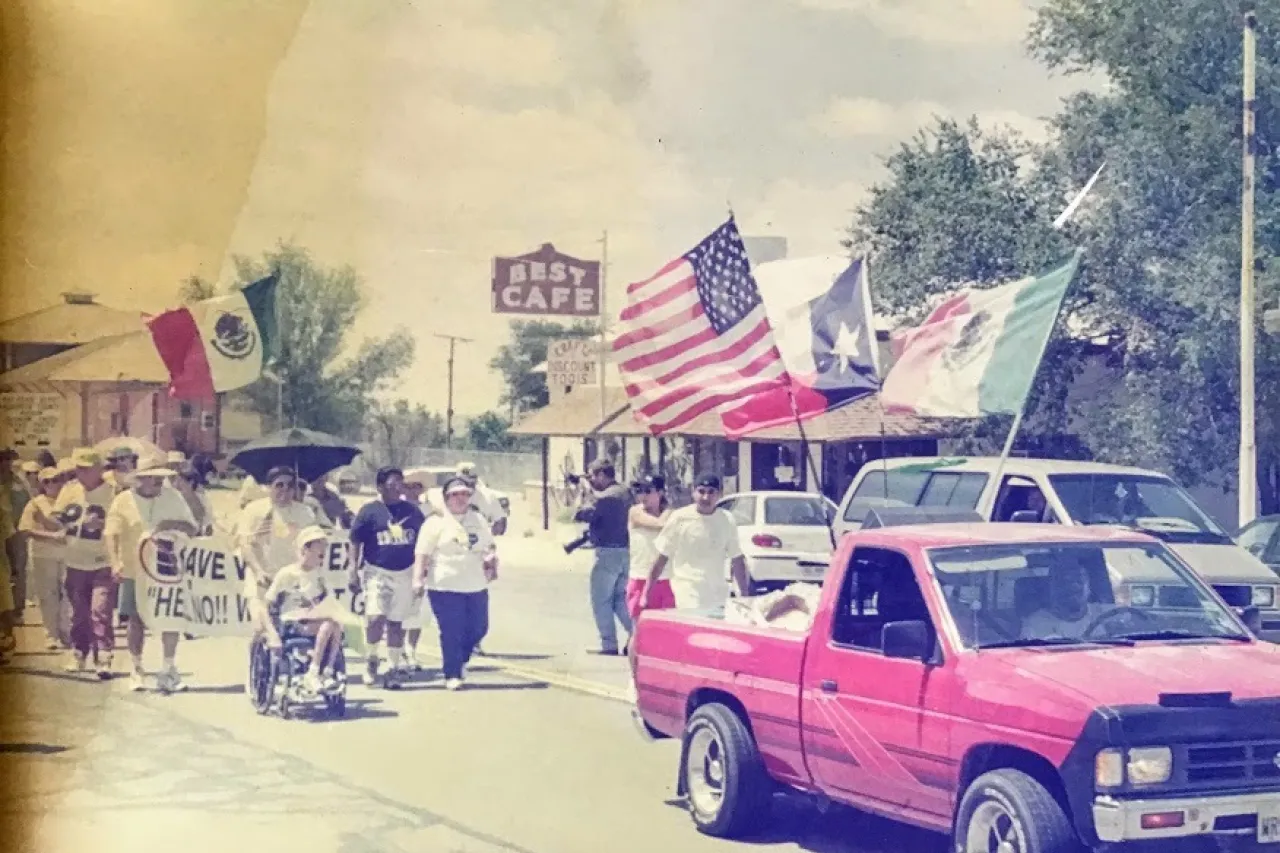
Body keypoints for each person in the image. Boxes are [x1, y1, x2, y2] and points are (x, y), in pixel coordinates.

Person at [105, 452, 197, 692]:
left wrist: (169, 525)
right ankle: (136, 668)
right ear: (140, 479)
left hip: (168, 570)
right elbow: (111, 534)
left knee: (171, 618)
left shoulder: (173, 497)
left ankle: (168, 669)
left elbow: (192, 528)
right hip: (134, 569)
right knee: (135, 619)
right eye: (152, 477)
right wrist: (115, 562)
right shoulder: (123, 500)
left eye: (161, 476)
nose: (158, 481)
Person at [413, 476, 497, 690]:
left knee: (479, 627)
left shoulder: (478, 520)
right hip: (444, 584)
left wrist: (491, 561)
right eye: (455, 494)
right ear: (446, 498)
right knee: (451, 630)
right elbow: (422, 553)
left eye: (465, 494)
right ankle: (452, 673)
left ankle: (460, 660)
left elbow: (489, 545)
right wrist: (418, 580)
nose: (460, 498)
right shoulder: (435, 522)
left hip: (475, 583)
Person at [348, 467, 425, 688]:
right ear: (380, 487)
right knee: (374, 618)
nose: (397, 489)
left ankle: (392, 667)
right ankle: (371, 658)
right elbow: (355, 539)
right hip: (377, 572)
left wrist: (422, 573)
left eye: (400, 485)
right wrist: (353, 568)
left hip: (405, 572)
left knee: (396, 623)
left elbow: (423, 542)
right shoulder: (370, 511)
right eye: (392, 485)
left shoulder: (412, 512)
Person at [235, 466, 321, 649]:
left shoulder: (304, 512)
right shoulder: (254, 510)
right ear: (269, 487)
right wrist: (258, 571)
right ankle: (257, 658)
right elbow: (245, 544)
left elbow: (313, 543)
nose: (284, 490)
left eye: (290, 486)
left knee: (291, 625)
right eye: (279, 485)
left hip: (290, 576)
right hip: (261, 575)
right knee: (260, 626)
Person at [54, 448, 118, 677]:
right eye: (78, 468)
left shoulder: (112, 493)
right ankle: (79, 652)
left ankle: (104, 656)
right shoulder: (69, 491)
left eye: (86, 468)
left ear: (99, 469)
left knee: (99, 610)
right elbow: (57, 521)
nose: (80, 473)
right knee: (79, 613)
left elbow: (119, 526)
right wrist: (70, 527)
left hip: (102, 561)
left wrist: (102, 526)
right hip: (75, 561)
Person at [644, 474, 749, 613]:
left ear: (720, 494)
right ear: (693, 492)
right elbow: (660, 559)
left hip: (717, 598)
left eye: (711, 492)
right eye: (701, 491)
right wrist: (646, 594)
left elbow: (737, 559)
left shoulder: (727, 519)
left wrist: (745, 597)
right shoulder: (679, 518)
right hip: (687, 595)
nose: (706, 497)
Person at [264, 526, 344, 695]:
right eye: (319, 552)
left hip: (312, 619)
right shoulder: (287, 574)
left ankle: (326, 671)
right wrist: (271, 632)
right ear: (305, 549)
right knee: (330, 624)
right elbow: (268, 602)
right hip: (291, 621)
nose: (322, 557)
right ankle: (315, 672)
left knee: (335, 624)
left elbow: (329, 600)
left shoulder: (319, 575)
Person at [574, 458, 633, 655]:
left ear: (601, 475)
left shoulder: (605, 497)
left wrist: (583, 492)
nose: (591, 480)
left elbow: (582, 514)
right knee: (619, 600)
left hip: (608, 553)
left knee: (601, 600)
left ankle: (609, 644)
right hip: (626, 551)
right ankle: (637, 634)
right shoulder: (625, 492)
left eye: (592, 476)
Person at [19, 467, 69, 650]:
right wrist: (51, 536)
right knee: (48, 595)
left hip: (67, 554)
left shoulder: (69, 502)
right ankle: (51, 634)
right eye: (47, 481)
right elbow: (25, 530)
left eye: (55, 479)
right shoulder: (35, 503)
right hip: (42, 554)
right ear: (42, 484)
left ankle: (66, 631)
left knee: (68, 594)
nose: (52, 484)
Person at [1020, 555, 1111, 639]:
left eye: (1078, 578)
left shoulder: (1108, 615)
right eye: (1064, 581)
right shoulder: (1034, 626)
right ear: (1051, 588)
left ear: (1089, 586)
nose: (1073, 586)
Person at [168, 452, 215, 536]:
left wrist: (207, 524)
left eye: (178, 465)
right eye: (172, 465)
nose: (175, 468)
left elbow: (203, 506)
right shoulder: (162, 485)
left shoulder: (193, 485)